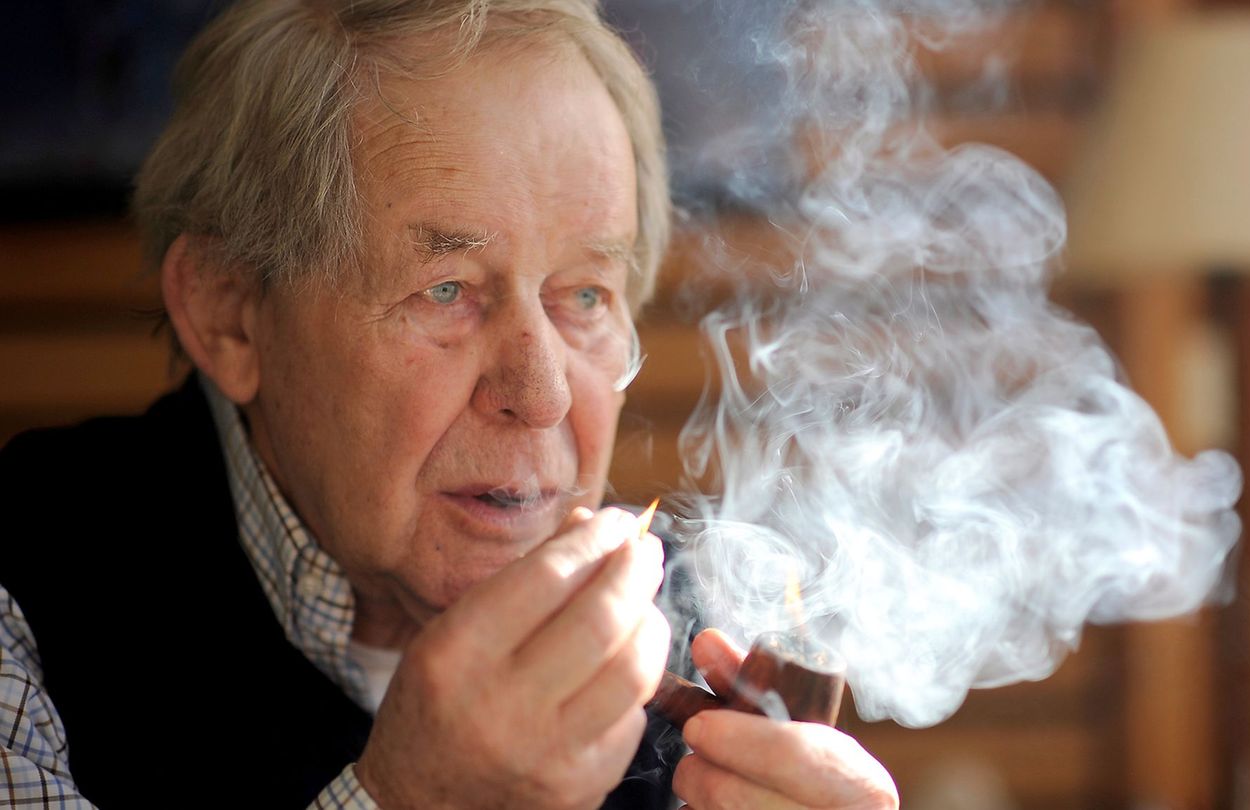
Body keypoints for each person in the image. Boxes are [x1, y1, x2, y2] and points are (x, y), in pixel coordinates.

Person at [0, 1, 899, 808]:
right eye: (446, 290)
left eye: (585, 295)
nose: (542, 397)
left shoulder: (706, 639)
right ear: (230, 315)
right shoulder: (27, 601)